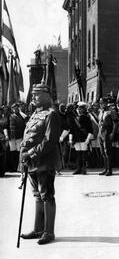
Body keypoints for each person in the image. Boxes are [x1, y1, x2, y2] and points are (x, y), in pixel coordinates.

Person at [19, 83, 61, 245]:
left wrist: (31, 153)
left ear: (46, 95)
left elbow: (50, 141)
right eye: (34, 94)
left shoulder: (51, 115)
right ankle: (38, 229)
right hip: (32, 163)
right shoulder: (35, 114)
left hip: (44, 162)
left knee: (47, 196)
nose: (34, 97)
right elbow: (28, 137)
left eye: (37, 94)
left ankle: (48, 232)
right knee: (37, 196)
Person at [69, 102, 94, 175]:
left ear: (84, 110)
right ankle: (78, 169)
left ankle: (84, 169)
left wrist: (87, 139)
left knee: (84, 155)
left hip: (84, 138)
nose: (79, 110)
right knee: (78, 154)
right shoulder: (75, 119)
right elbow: (72, 129)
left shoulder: (87, 118)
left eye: (81, 109)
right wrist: (71, 139)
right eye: (78, 109)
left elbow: (90, 130)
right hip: (77, 139)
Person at [98, 97, 115, 176]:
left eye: (103, 103)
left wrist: (112, 133)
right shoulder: (101, 112)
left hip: (107, 132)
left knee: (107, 152)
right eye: (100, 103)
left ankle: (109, 169)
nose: (101, 105)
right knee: (103, 152)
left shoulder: (110, 112)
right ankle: (105, 168)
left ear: (106, 103)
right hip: (101, 133)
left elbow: (115, 123)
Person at [8, 103, 27, 171]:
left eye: (16, 108)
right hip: (11, 137)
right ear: (12, 109)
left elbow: (24, 126)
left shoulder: (22, 116)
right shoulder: (10, 116)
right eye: (14, 108)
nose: (15, 109)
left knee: (19, 152)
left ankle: (18, 167)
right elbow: (7, 126)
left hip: (19, 137)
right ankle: (12, 167)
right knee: (12, 152)